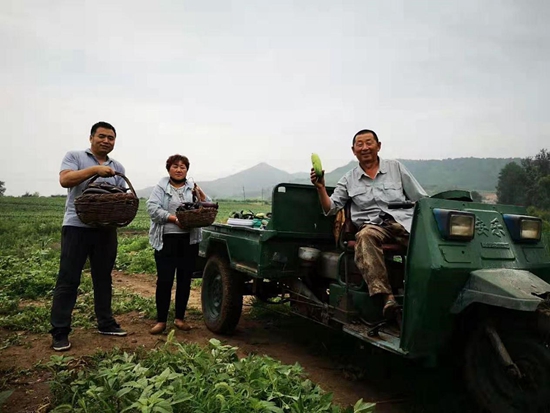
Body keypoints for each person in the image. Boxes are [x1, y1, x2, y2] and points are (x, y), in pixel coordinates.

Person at [310, 129, 427, 320]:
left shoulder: (395, 168)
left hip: (401, 222)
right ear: (353, 150)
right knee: (365, 236)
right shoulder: (348, 179)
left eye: (369, 143)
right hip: (373, 227)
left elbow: (420, 199)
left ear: (378, 146)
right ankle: (386, 297)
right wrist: (321, 187)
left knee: (425, 241)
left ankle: (423, 291)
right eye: (360, 144)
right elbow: (331, 208)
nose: (365, 148)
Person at [50, 121, 128, 352]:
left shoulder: (118, 167)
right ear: (91, 138)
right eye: (102, 136)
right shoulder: (75, 156)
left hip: (106, 228)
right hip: (77, 225)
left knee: (103, 277)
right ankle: (60, 331)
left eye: (111, 138)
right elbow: (65, 180)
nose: (106, 141)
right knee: (68, 278)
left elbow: (121, 195)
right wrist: (95, 170)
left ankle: (105, 322)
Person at [147, 154, 210, 334]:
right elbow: (152, 209)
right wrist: (174, 219)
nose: (179, 169)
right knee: (165, 280)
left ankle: (179, 318)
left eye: (183, 167)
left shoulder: (192, 188)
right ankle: (161, 320)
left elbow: (207, 206)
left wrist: (202, 194)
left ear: (187, 170)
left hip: (188, 241)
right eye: (175, 166)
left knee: (184, 280)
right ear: (169, 169)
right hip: (167, 240)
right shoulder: (161, 187)